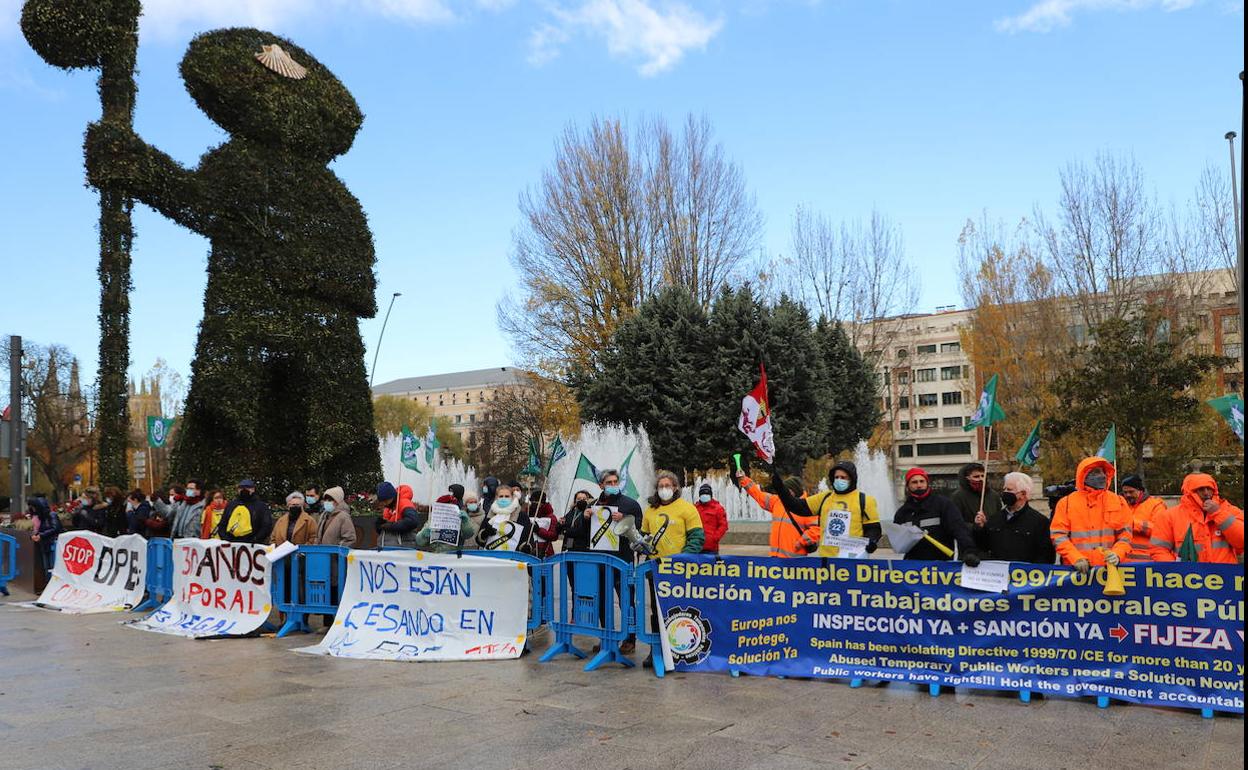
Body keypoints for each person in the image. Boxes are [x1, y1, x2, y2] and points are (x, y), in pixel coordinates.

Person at [772, 460, 881, 557]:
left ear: (852, 479)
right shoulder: (825, 497)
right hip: (826, 561)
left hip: (852, 560)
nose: (839, 480)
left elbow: (874, 528)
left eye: (843, 477)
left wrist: (871, 541)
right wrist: (781, 489)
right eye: (836, 477)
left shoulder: (865, 500)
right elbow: (797, 507)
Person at [1049, 457, 1130, 574]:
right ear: (1084, 475)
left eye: (1103, 472)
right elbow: (1058, 536)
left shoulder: (1119, 501)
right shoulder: (1066, 503)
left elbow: (1125, 536)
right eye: (1096, 472)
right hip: (1076, 571)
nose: (1102, 476)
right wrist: (1075, 557)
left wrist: (1118, 554)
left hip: (1111, 571)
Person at [594, 468, 643, 654]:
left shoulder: (630, 504)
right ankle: (607, 636)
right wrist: (586, 517)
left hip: (623, 560)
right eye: (609, 483)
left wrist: (625, 519)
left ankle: (630, 639)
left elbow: (640, 525)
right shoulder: (595, 504)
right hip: (601, 561)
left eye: (615, 482)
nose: (613, 485)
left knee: (627, 600)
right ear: (601, 485)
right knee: (602, 600)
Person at [1149, 473, 1244, 563]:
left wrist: (1218, 513)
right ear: (1189, 493)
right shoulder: (1169, 516)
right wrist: (1177, 571)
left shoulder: (1229, 511)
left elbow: (1242, 541)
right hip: (1189, 578)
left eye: (1209, 489)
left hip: (1224, 577)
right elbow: (1158, 550)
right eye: (1201, 489)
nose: (1206, 493)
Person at [894, 468, 979, 564]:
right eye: (914, 482)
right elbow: (898, 542)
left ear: (927, 483)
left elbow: (959, 529)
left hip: (940, 565)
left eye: (922, 481)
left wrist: (969, 551)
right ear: (908, 486)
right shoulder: (902, 512)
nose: (919, 485)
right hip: (912, 566)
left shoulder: (943, 504)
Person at [972, 471, 1054, 563]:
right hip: (998, 574)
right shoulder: (994, 519)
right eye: (1004, 489)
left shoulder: (1039, 522)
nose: (1005, 492)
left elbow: (1046, 556)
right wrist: (979, 529)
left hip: (1024, 575)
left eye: (1009, 490)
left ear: (1023, 494)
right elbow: (982, 547)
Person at [739, 468, 818, 558]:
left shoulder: (806, 507)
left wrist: (802, 541)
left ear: (794, 491)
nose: (783, 492)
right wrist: (744, 479)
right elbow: (758, 494)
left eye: (786, 490)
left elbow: (817, 529)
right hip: (775, 558)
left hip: (795, 561)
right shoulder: (777, 501)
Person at [641, 471, 705, 557]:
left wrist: (685, 557)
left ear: (675, 488)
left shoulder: (688, 508)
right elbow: (644, 535)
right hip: (654, 564)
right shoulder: (650, 510)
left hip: (678, 565)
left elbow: (697, 537)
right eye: (661, 486)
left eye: (667, 486)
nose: (664, 489)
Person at [1120, 474, 1167, 562]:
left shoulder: (1156, 505)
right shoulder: (1121, 505)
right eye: (1125, 492)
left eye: (1131, 492)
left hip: (1146, 562)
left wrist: (1133, 524)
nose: (1128, 495)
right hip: (1123, 562)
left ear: (1140, 490)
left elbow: (1159, 530)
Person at [474, 483, 532, 550]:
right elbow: (479, 541)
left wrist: (525, 547)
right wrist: (484, 534)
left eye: (507, 496)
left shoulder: (522, 516)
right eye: (501, 496)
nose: (503, 498)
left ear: (512, 497)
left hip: (512, 558)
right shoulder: (490, 514)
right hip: (491, 557)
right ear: (496, 498)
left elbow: (527, 539)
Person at [217, 479, 273, 544]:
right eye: (241, 488)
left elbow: (266, 526)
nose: (244, 489)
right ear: (238, 490)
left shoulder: (261, 506)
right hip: (231, 545)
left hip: (253, 545)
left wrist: (255, 540)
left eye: (247, 487)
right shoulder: (231, 505)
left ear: (253, 489)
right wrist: (227, 540)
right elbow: (222, 525)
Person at [950, 462, 1002, 529]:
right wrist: (974, 526)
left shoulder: (994, 495)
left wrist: (987, 523)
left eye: (983, 476)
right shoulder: (958, 496)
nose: (981, 479)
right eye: (976, 476)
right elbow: (954, 522)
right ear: (966, 478)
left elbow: (1000, 518)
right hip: (969, 537)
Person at [375, 481, 423, 548]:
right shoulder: (388, 509)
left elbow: (412, 521)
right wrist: (380, 526)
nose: (384, 503)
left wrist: (391, 526)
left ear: (392, 496)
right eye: (382, 501)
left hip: (404, 547)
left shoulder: (404, 503)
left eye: (386, 500)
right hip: (390, 547)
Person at [28, 497, 60, 577]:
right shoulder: (41, 517)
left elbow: (55, 528)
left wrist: (41, 535)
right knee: (46, 566)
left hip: (51, 543)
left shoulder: (51, 515)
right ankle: (48, 581)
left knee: (52, 565)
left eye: (34, 507)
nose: (33, 509)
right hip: (44, 543)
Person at [524, 485, 558, 558]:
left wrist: (539, 530)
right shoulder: (526, 514)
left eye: (537, 502)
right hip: (529, 551)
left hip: (545, 552)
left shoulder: (551, 517)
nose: (534, 504)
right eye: (532, 501)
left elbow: (554, 536)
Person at [693, 483, 728, 554]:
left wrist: (714, 538)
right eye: (702, 494)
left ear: (711, 495)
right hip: (696, 546)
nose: (704, 496)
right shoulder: (694, 508)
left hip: (711, 547)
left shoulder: (718, 508)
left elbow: (723, 525)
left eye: (707, 494)